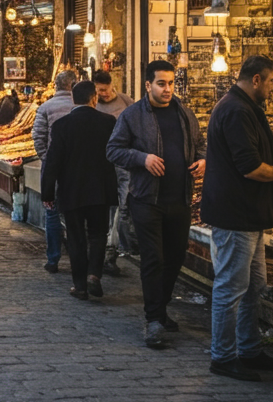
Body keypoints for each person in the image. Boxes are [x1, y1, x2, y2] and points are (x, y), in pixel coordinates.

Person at [203, 56, 273, 381]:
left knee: (254, 284)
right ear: (256, 79)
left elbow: (252, 154)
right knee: (231, 287)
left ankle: (249, 348)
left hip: (250, 216)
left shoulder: (242, 107)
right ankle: (223, 356)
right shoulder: (236, 110)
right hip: (236, 216)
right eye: (272, 82)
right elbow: (249, 167)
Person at [106, 60, 205, 349]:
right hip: (147, 199)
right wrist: (142, 158)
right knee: (153, 259)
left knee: (175, 258)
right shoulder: (132, 115)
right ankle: (153, 320)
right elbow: (113, 149)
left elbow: (201, 144)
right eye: (161, 83)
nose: (167, 89)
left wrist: (202, 160)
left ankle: (160, 310)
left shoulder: (184, 113)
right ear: (148, 85)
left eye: (171, 83)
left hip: (181, 198)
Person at [41, 80, 118, 300]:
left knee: (76, 238)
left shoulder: (62, 125)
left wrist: (47, 193)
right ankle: (94, 274)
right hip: (100, 190)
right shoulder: (108, 122)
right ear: (94, 98)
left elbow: (53, 161)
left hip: (71, 190)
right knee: (98, 235)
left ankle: (80, 285)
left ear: (73, 99)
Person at [32, 69, 80, 273]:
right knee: (77, 214)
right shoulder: (81, 107)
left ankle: (53, 258)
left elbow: (38, 136)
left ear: (56, 86)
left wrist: (47, 159)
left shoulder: (46, 107)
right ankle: (80, 257)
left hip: (53, 170)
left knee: (51, 213)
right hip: (78, 170)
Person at [93, 70, 139, 276]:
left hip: (123, 164)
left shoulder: (126, 102)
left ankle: (110, 253)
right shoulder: (92, 105)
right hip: (100, 164)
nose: (102, 94)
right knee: (103, 206)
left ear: (112, 85)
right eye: (98, 90)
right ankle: (99, 251)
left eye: (104, 89)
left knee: (122, 205)